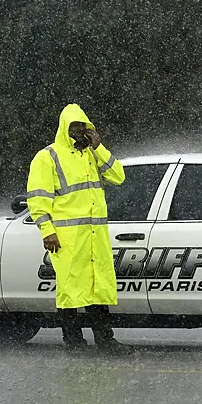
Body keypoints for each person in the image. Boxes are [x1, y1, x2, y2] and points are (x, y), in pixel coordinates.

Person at [26, 103, 132, 354]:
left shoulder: (91, 154)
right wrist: (46, 230)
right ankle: (73, 340)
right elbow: (38, 198)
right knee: (70, 290)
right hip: (67, 238)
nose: (78, 131)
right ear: (64, 128)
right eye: (74, 127)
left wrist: (99, 148)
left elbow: (119, 176)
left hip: (95, 236)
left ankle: (105, 339)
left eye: (82, 126)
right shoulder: (47, 157)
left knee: (97, 288)